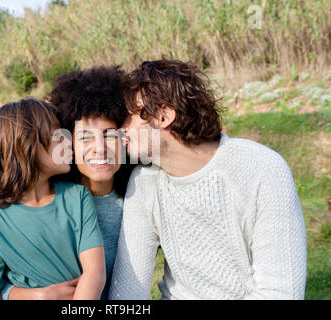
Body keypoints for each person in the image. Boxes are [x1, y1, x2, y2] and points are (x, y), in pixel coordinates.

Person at [109, 59, 307, 300]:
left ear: (163, 116)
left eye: (131, 116)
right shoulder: (144, 182)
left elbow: (280, 293)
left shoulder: (262, 169)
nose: (122, 128)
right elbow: (128, 293)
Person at [4, 66, 134, 300]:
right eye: (85, 137)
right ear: (68, 144)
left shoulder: (138, 198)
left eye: (109, 134)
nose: (100, 147)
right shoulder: (43, 199)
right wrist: (35, 296)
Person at [0, 97, 106, 300]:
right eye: (57, 135)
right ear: (25, 145)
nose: (67, 140)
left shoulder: (77, 197)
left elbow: (94, 274)